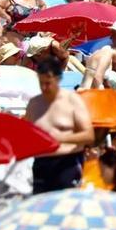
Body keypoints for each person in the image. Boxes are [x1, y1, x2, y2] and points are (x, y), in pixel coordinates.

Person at [25, 58, 94, 194]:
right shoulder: (34, 104)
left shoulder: (72, 100)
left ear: (58, 79)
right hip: (41, 164)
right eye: (41, 83)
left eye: (48, 83)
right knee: (41, 208)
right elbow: (26, 133)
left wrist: (61, 137)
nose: (44, 87)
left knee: (68, 207)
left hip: (67, 162)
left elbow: (89, 135)